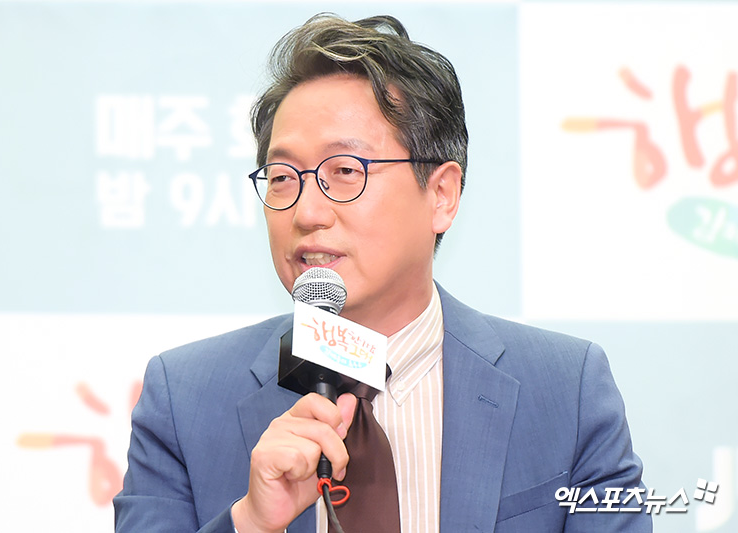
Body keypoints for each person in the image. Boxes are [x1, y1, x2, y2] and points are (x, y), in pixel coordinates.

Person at [114, 13, 651, 533]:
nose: (307, 212)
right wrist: (251, 525)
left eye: (345, 171)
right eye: (282, 177)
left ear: (442, 195)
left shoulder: (566, 391)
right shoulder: (183, 400)